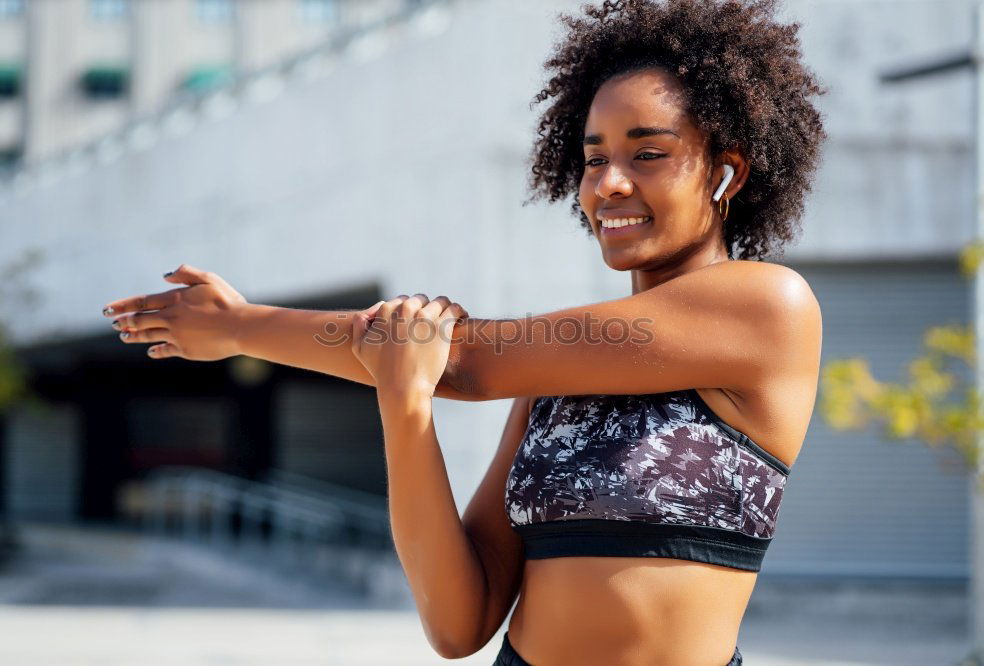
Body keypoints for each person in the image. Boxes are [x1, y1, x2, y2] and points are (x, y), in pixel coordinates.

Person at [101, 0, 826, 663]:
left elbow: (465, 360)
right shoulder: (551, 388)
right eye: (594, 157)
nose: (608, 183)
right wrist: (404, 403)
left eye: (648, 153)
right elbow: (460, 623)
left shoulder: (766, 308)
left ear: (727, 173)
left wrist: (242, 328)